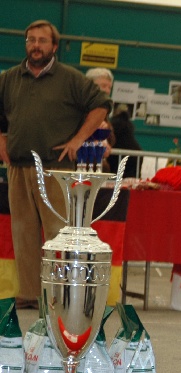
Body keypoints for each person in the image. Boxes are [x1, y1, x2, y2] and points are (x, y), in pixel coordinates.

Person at [0, 20, 111, 310]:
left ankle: (58, 294)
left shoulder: (71, 79)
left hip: (55, 169)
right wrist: (2, 142)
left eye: (42, 41)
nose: (35, 46)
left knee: (57, 233)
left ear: (54, 46)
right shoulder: (9, 78)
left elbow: (101, 105)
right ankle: (28, 293)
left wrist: (77, 140)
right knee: (22, 233)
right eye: (30, 40)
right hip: (19, 166)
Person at [85, 67, 115, 172]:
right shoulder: (79, 107)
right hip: (80, 165)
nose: (107, 90)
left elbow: (112, 139)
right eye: (103, 86)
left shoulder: (104, 109)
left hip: (99, 166)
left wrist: (106, 130)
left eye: (109, 87)